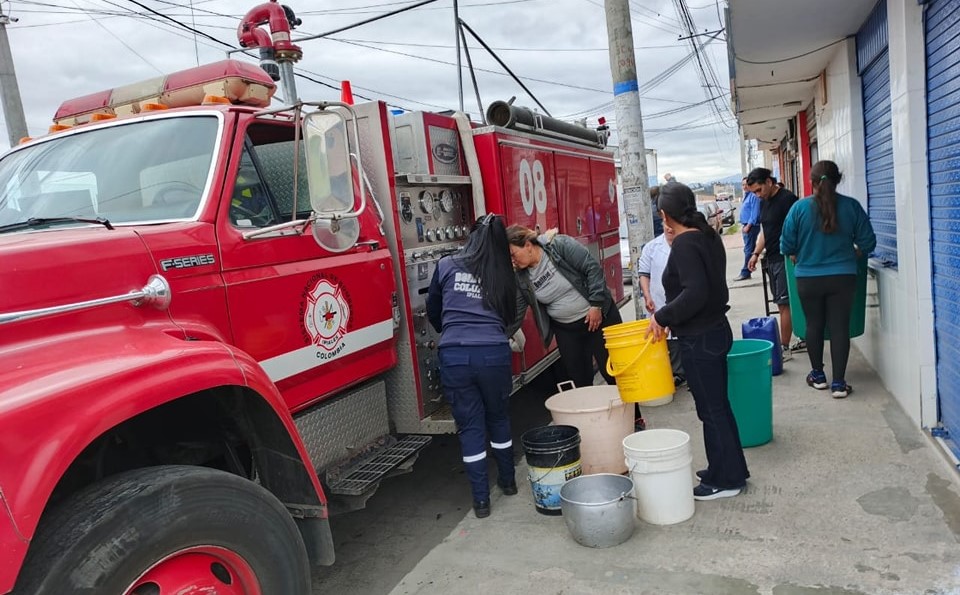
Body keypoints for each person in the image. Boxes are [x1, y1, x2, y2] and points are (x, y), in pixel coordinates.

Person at [647, 182, 749, 500]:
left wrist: (661, 317)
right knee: (718, 407)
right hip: (713, 330)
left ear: (664, 213)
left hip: (700, 337)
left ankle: (726, 480)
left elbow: (695, 292)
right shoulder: (706, 235)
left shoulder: (685, 244)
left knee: (712, 410)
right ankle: (729, 467)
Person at [506, 224, 645, 428]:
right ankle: (592, 427)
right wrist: (498, 335)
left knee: (614, 372)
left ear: (527, 245)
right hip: (566, 329)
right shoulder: (521, 277)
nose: (512, 260)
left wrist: (596, 304)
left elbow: (592, 268)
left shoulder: (558, 245)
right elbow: (517, 312)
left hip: (600, 319)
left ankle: (635, 419)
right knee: (579, 380)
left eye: (512, 253)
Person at [426, 214, 519, 519]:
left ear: (471, 236)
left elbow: (434, 311)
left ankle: (481, 502)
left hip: (455, 356)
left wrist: (452, 331)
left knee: (470, 427)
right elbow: (508, 317)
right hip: (493, 353)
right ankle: (508, 483)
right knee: (499, 418)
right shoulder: (503, 273)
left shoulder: (446, 265)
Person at [781, 161, 876, 399]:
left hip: (808, 279)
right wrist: (852, 252)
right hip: (843, 278)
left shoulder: (799, 209)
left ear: (811, 182)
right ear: (838, 180)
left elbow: (786, 245)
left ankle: (818, 376)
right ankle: (840, 384)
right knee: (839, 327)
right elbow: (868, 242)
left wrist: (798, 253)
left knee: (813, 325)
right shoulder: (851, 207)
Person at [745, 167, 801, 359]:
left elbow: (799, 228)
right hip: (772, 259)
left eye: (758, 190)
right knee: (780, 303)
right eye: (753, 193)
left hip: (786, 258)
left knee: (785, 304)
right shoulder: (763, 203)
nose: (757, 195)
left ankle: (784, 347)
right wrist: (755, 253)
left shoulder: (788, 200)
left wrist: (793, 253)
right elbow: (765, 231)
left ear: (769, 182)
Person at [637, 224, 685, 387]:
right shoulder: (651, 247)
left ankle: (686, 373)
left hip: (684, 300)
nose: (670, 230)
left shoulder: (686, 245)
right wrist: (647, 295)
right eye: (666, 226)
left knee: (684, 338)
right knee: (666, 338)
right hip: (659, 300)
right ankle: (673, 373)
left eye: (673, 226)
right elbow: (644, 273)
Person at [733, 177, 760, 281]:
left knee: (749, 249)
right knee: (747, 249)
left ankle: (745, 272)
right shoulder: (746, 196)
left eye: (746, 184)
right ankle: (746, 270)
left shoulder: (753, 196)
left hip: (751, 227)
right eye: (743, 184)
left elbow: (755, 213)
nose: (744, 186)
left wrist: (748, 225)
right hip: (745, 226)